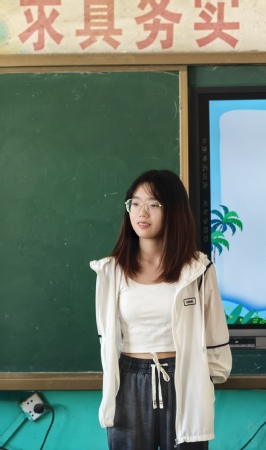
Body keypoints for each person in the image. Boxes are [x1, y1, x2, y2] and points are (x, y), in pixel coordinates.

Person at [90, 169, 231, 449]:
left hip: (184, 376)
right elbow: (106, 337)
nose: (142, 212)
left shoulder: (197, 269)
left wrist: (209, 376)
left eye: (153, 204)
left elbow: (214, 330)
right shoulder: (110, 271)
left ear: (173, 210)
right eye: (135, 203)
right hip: (129, 380)